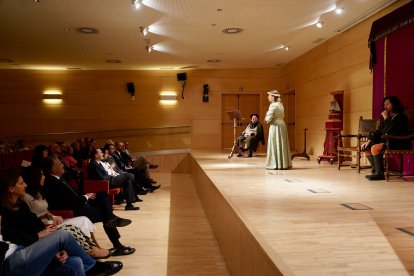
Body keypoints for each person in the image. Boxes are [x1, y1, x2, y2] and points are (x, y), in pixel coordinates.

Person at [0, 169, 110, 259]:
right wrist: (38, 234)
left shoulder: (21, 204)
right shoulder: (5, 211)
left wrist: (47, 226)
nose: (25, 185)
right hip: (28, 243)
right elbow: (15, 235)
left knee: (72, 228)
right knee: (68, 231)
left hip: (40, 231)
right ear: (11, 188)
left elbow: (34, 220)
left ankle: (92, 251)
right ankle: (93, 254)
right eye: (21, 183)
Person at [42, 155, 136, 256]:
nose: (62, 166)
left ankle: (110, 218)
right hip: (74, 210)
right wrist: (86, 197)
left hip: (80, 203)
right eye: (60, 164)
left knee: (102, 194)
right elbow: (69, 202)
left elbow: (73, 193)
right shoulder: (51, 182)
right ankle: (117, 244)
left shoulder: (59, 178)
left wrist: (86, 196)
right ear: (53, 169)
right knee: (105, 214)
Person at [0, 217, 122, 276]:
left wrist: (50, 253)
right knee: (62, 235)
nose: (25, 185)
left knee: (76, 262)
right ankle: (93, 266)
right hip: (9, 263)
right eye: (21, 183)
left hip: (21, 251)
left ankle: (89, 265)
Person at [360, 96, 411, 180]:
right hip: (388, 141)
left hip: (398, 142)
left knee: (374, 148)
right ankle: (377, 170)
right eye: (384, 105)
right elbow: (379, 131)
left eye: (387, 104)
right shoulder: (391, 117)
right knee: (366, 147)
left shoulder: (401, 117)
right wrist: (368, 141)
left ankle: (379, 173)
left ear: (394, 104)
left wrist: (386, 118)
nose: (385, 106)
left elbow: (392, 131)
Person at [264, 90, 292, 170]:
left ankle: (275, 164)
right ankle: (283, 164)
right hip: (282, 125)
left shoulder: (272, 105)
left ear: (273, 97)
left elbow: (268, 119)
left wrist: (266, 117)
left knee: (275, 143)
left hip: (275, 126)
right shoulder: (280, 105)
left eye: (269, 96)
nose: (268, 97)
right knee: (282, 143)